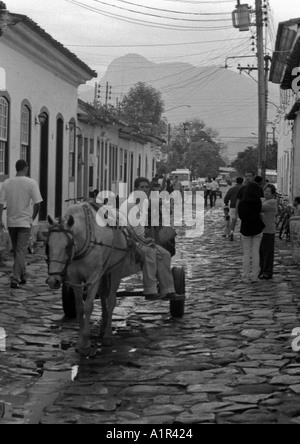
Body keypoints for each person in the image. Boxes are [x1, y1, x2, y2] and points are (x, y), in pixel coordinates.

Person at [119, 177, 176, 301]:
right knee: (150, 253)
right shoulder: (129, 205)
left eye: (146, 187)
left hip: (140, 240)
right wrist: (143, 241)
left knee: (165, 254)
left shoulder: (143, 202)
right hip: (128, 241)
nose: (145, 190)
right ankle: (150, 289)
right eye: (142, 187)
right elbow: (126, 228)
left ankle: (168, 290)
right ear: (135, 189)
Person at [0, 160, 43, 289]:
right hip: (24, 223)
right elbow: (37, 204)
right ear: (26, 168)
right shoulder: (31, 183)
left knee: (18, 251)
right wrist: (32, 218)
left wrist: (0, 219)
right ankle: (15, 278)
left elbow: (1, 203)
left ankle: (23, 275)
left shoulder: (7, 183)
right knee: (20, 251)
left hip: (11, 222)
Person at [238, 182, 265, 284]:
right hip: (257, 228)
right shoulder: (257, 201)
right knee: (255, 253)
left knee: (246, 253)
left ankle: (245, 275)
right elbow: (259, 212)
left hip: (246, 228)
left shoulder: (242, 202)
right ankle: (254, 276)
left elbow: (241, 216)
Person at [260, 184, 278, 280]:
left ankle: (267, 272)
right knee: (262, 252)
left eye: (268, 191)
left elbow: (259, 207)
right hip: (263, 231)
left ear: (273, 194)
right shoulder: (264, 200)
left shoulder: (272, 202)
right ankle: (262, 270)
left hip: (269, 230)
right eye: (265, 191)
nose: (266, 193)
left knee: (267, 253)